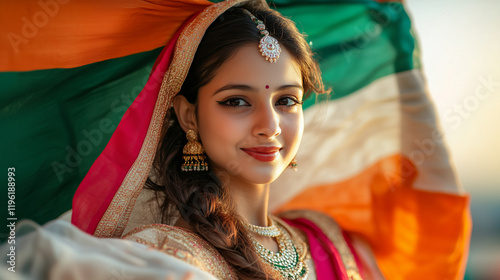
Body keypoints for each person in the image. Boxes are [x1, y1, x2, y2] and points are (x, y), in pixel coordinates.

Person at [70, 0, 470, 279]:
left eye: (286, 101)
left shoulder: (326, 242)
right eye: (238, 101)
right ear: (189, 114)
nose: (270, 125)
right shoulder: (165, 260)